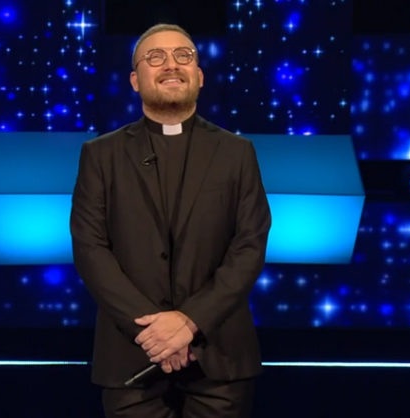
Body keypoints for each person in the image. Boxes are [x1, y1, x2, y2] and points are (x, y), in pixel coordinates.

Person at [70, 23, 271, 417]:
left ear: (200, 75)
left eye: (183, 56)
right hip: (131, 355)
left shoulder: (237, 152)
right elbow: (90, 249)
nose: (171, 65)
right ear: (135, 80)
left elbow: (249, 246)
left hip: (220, 356)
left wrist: (191, 322)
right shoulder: (100, 155)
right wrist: (155, 333)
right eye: (155, 57)